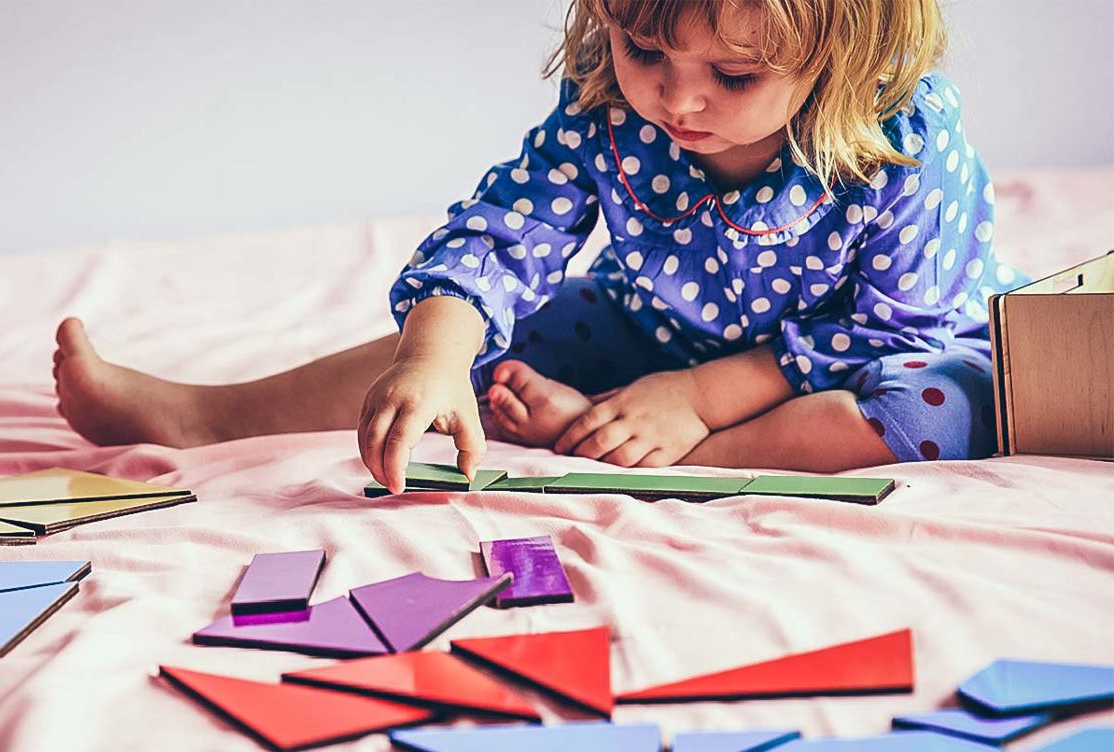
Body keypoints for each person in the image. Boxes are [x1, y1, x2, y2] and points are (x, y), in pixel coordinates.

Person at [53, 0, 1025, 493]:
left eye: (730, 75)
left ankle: (640, 445)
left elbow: (893, 324)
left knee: (930, 414)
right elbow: (506, 234)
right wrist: (434, 355)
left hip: (846, 359)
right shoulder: (612, 100)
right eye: (646, 53)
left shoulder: (902, 135)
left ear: (840, 52)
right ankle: (204, 417)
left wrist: (694, 404)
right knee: (459, 358)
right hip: (654, 326)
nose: (676, 100)